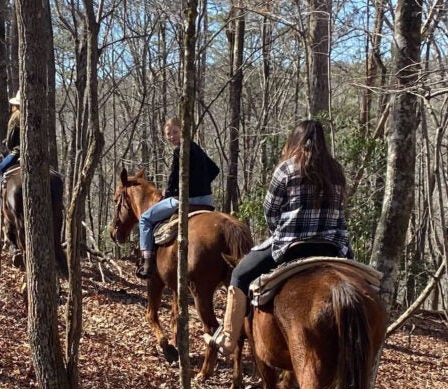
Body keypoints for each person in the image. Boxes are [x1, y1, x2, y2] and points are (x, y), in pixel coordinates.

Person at [206, 119, 352, 354]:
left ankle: (228, 340)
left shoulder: (286, 168)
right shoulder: (336, 170)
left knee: (240, 274)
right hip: (333, 247)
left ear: (295, 141)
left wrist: (279, 231)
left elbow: (270, 210)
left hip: (292, 246)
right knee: (363, 286)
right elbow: (340, 210)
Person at [136, 117, 220, 278]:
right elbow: (215, 169)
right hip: (207, 200)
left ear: (182, 130)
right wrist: (201, 184)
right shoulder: (196, 147)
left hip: (186, 200)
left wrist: (167, 195)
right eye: (168, 134)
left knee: (145, 219)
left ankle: (147, 261)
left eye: (175, 132)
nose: (172, 136)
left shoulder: (179, 150)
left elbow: (173, 178)